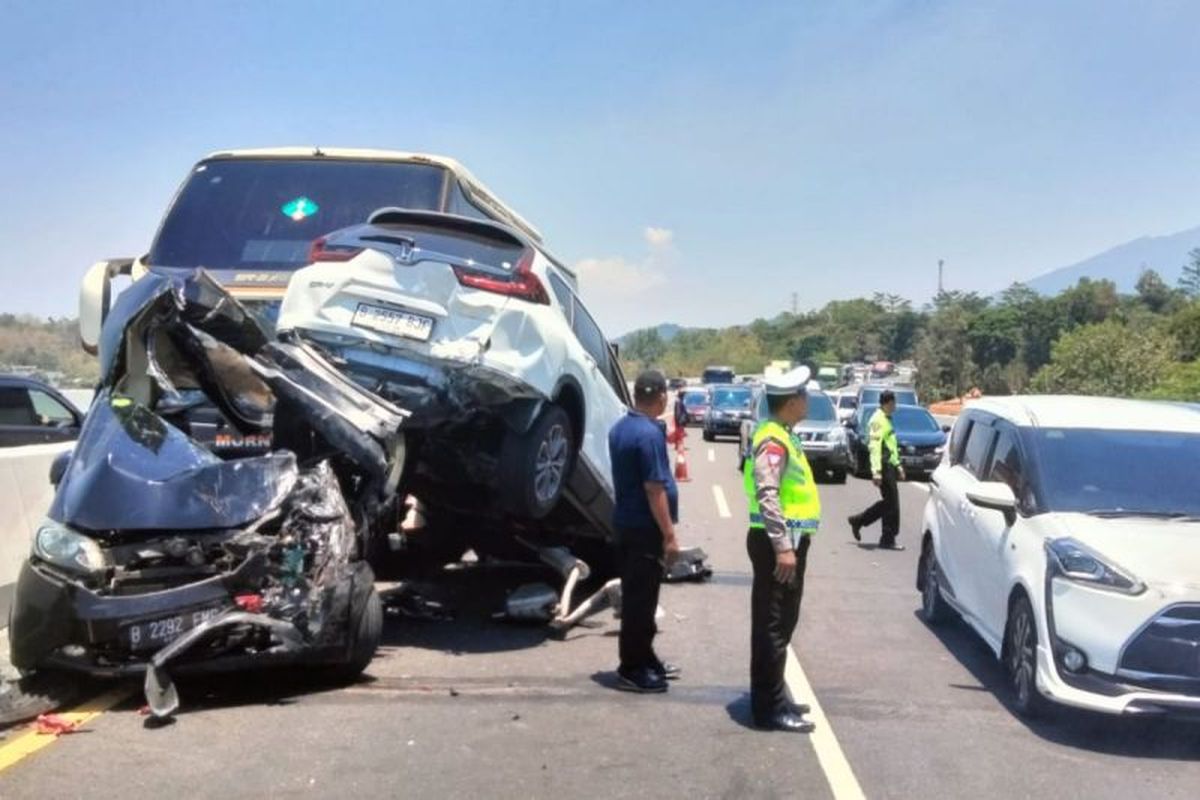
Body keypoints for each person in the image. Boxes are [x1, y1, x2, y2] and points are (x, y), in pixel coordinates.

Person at [743, 366, 820, 733]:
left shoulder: (783, 434)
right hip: (777, 545)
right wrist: (783, 547)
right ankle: (768, 709)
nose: (807, 401)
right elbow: (767, 493)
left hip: (785, 543)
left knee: (782, 624)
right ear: (791, 402)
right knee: (772, 627)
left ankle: (775, 695)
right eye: (803, 396)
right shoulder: (773, 440)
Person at [607, 369, 682, 693]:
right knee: (640, 603)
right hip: (643, 529)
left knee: (643, 599)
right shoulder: (649, 434)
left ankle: (645, 656)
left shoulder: (621, 428)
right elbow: (654, 489)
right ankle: (631, 667)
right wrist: (669, 535)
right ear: (662, 397)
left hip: (626, 523)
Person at [848, 389, 906, 550]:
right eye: (894, 403)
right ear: (888, 403)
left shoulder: (887, 419)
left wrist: (898, 465)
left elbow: (891, 447)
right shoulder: (877, 420)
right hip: (882, 465)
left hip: (889, 465)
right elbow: (874, 447)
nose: (896, 406)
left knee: (890, 503)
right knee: (891, 503)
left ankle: (861, 522)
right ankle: (884, 536)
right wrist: (876, 471)